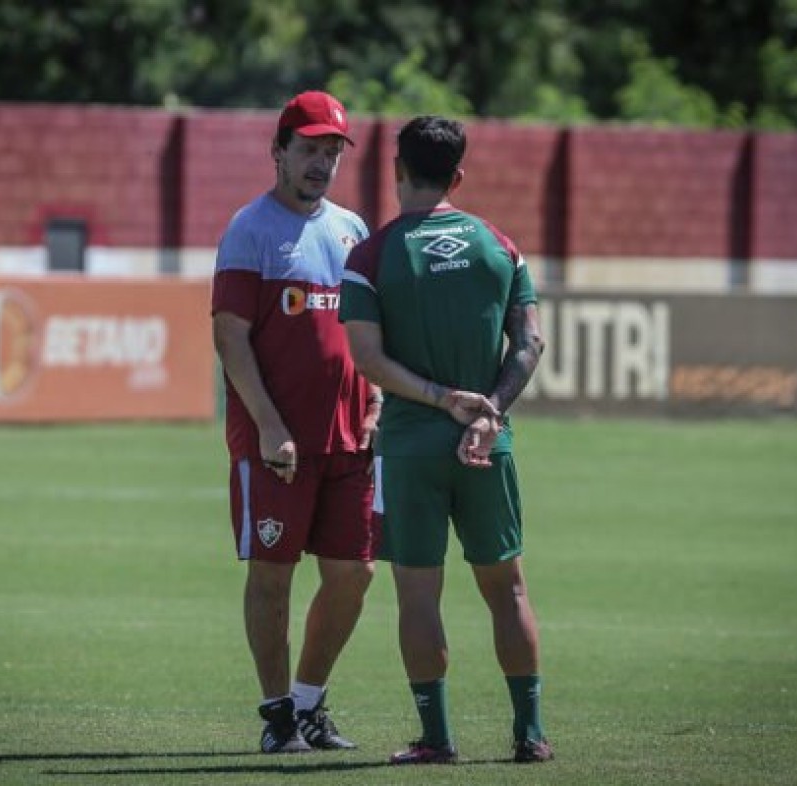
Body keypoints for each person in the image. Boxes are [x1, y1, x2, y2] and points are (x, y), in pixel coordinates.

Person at [339, 115, 553, 765]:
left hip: (409, 450)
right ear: (459, 175)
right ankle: (530, 734)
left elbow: (368, 360)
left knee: (417, 593)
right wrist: (490, 413)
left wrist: (438, 399)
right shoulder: (500, 248)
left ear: (398, 171)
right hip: (488, 448)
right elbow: (531, 342)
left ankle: (437, 739)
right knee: (508, 589)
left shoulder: (371, 256)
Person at [211, 90, 380, 754]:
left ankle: (309, 703)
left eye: (332, 151)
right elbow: (231, 339)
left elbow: (370, 331)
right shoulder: (249, 229)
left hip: (350, 440)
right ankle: (278, 716)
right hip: (275, 443)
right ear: (278, 151)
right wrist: (269, 425)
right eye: (308, 149)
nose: (320, 163)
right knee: (273, 576)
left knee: (356, 574)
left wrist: (378, 397)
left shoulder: (353, 230)